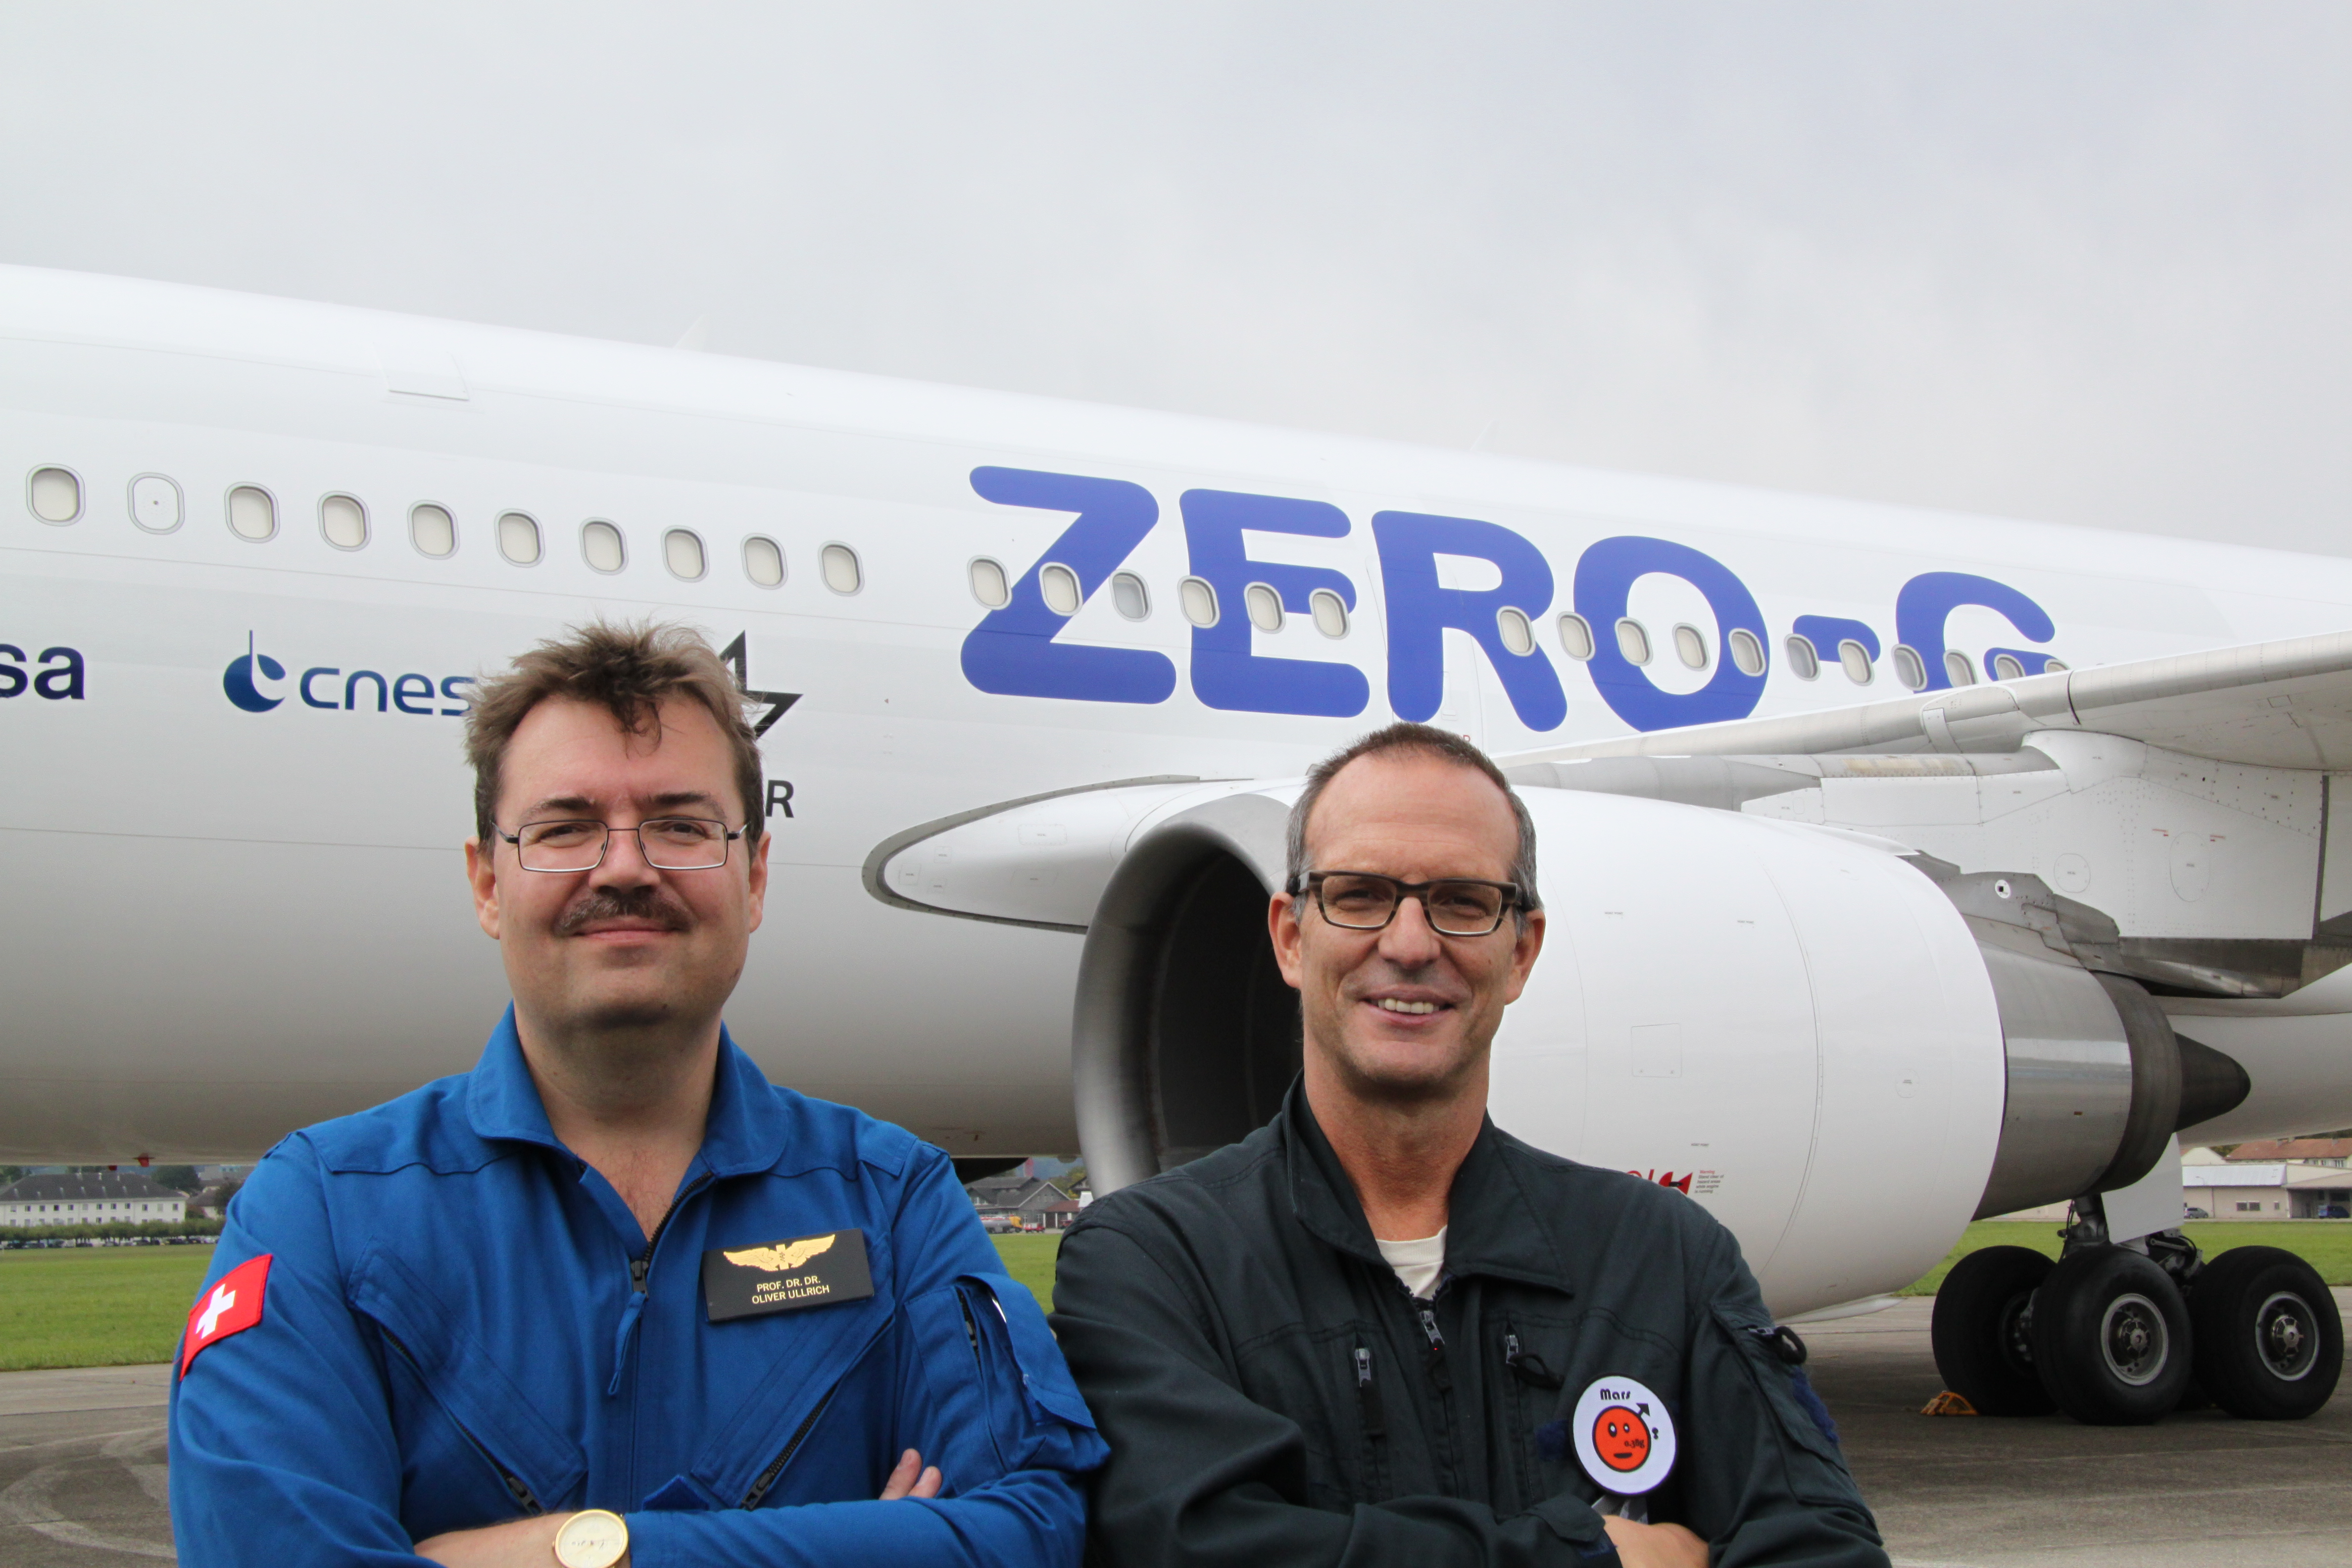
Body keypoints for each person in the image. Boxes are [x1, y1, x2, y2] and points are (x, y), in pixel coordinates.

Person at [169, 623, 1103, 1568]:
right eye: (565, 828)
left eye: (681, 826)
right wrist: (880, 1543)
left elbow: (1035, 1531)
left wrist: (579, 1550)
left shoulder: (894, 1197)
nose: (623, 867)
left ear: (756, 878)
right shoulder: (321, 1208)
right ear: (488, 882)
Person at [1050, 723, 1889, 1568]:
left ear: (1520, 951)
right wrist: (1592, 1558)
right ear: (1291, 937)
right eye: (1359, 894)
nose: (1411, 944)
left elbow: (1823, 1550)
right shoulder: (1154, 1262)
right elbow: (1191, 1551)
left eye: (1461, 901)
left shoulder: (1666, 1259)